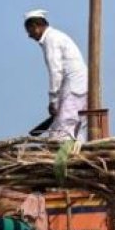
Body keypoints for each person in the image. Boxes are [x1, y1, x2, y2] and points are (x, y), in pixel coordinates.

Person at [24, 9, 88, 141]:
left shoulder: (51, 39)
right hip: (78, 87)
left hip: (73, 87)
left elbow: (55, 72)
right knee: (75, 128)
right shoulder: (55, 36)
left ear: (36, 26)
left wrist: (53, 100)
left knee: (62, 131)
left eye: (29, 31)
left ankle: (65, 160)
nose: (29, 36)